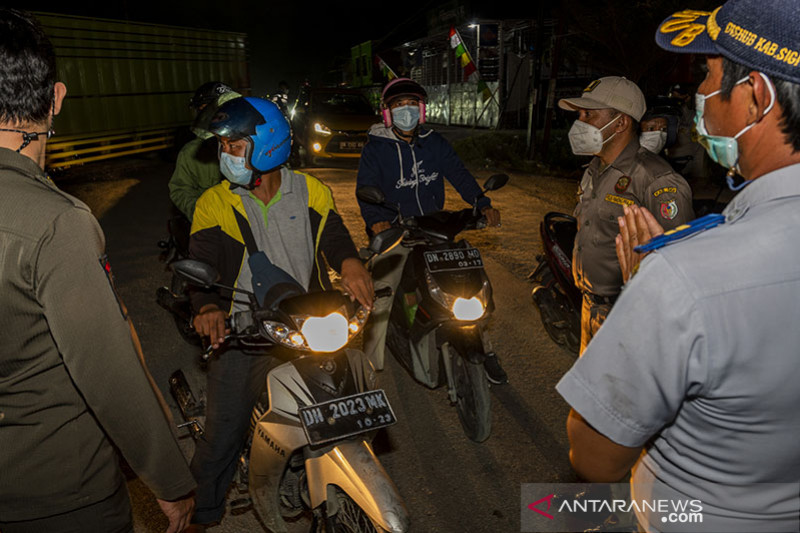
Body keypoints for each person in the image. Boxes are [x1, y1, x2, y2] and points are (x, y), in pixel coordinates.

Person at [557, 2, 800, 531]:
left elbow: (594, 454)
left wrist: (646, 303)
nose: (700, 99)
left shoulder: (685, 274)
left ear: (756, 95)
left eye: (709, 77)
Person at [0, 8, 195, 533]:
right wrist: (171, 481)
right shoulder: (56, 223)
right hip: (60, 494)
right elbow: (108, 374)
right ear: (56, 98)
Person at [186, 97, 372, 530]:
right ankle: (199, 515)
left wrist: (350, 263)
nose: (225, 154)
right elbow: (203, 263)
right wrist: (209, 307)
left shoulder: (311, 191)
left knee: (349, 403)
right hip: (246, 333)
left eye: (235, 145)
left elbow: (336, 237)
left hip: (309, 325)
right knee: (221, 435)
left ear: (266, 144)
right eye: (224, 146)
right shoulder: (214, 203)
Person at [355, 77, 507, 384]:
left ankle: (485, 348)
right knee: (383, 291)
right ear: (387, 113)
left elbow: (459, 174)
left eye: (412, 104)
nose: (406, 110)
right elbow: (366, 188)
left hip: (435, 226)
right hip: (396, 229)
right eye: (399, 105)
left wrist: (481, 202)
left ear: (422, 110)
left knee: (471, 284)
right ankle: (370, 363)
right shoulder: (376, 148)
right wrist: (376, 221)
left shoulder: (434, 142)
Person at [557, 76, 694, 353]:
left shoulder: (656, 180)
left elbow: (679, 264)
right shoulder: (594, 171)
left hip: (628, 317)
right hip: (590, 309)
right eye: (579, 114)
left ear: (620, 123)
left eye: (588, 114)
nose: (579, 122)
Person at [168, 81, 240, 221]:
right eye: (203, 110)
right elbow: (180, 189)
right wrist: (201, 211)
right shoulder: (192, 152)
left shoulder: (252, 145)